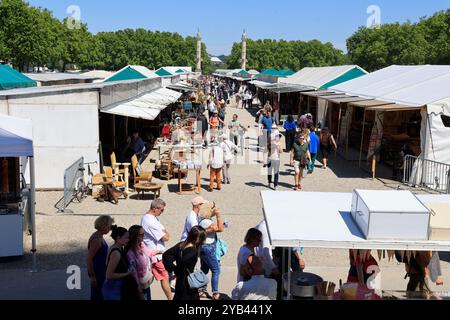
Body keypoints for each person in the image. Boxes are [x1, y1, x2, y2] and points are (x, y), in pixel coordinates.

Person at [163, 226, 207, 300]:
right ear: (198, 238)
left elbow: (166, 255)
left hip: (180, 279)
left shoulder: (181, 245)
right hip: (189, 282)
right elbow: (183, 262)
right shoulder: (193, 251)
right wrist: (176, 269)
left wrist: (173, 268)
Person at [141, 198, 173, 300]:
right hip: (156, 256)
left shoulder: (152, 218)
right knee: (164, 277)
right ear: (155, 209)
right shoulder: (150, 221)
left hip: (155, 254)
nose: (162, 212)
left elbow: (164, 231)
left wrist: (164, 232)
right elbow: (166, 237)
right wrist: (165, 232)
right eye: (162, 210)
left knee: (155, 278)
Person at [126, 225, 162, 300]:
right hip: (138, 286)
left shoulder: (141, 245)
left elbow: (148, 251)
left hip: (145, 283)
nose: (144, 236)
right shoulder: (131, 253)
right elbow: (133, 272)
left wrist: (159, 252)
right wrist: (139, 289)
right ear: (135, 236)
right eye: (142, 234)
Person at [198, 206, 225, 300]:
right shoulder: (207, 222)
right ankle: (215, 293)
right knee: (216, 270)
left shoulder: (202, 220)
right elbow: (220, 229)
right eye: (212, 208)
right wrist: (218, 216)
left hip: (204, 247)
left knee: (204, 270)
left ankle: (200, 290)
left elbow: (217, 228)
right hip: (208, 248)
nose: (215, 209)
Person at [87, 215, 114, 300]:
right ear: (104, 226)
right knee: (98, 295)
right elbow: (89, 259)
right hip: (98, 272)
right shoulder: (97, 240)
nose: (110, 228)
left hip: (101, 270)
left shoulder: (99, 236)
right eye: (109, 226)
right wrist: (92, 276)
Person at [102, 226, 133, 300]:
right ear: (118, 238)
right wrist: (127, 273)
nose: (128, 240)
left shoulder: (118, 247)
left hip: (115, 287)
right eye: (126, 238)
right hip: (113, 287)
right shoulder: (116, 253)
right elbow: (109, 275)